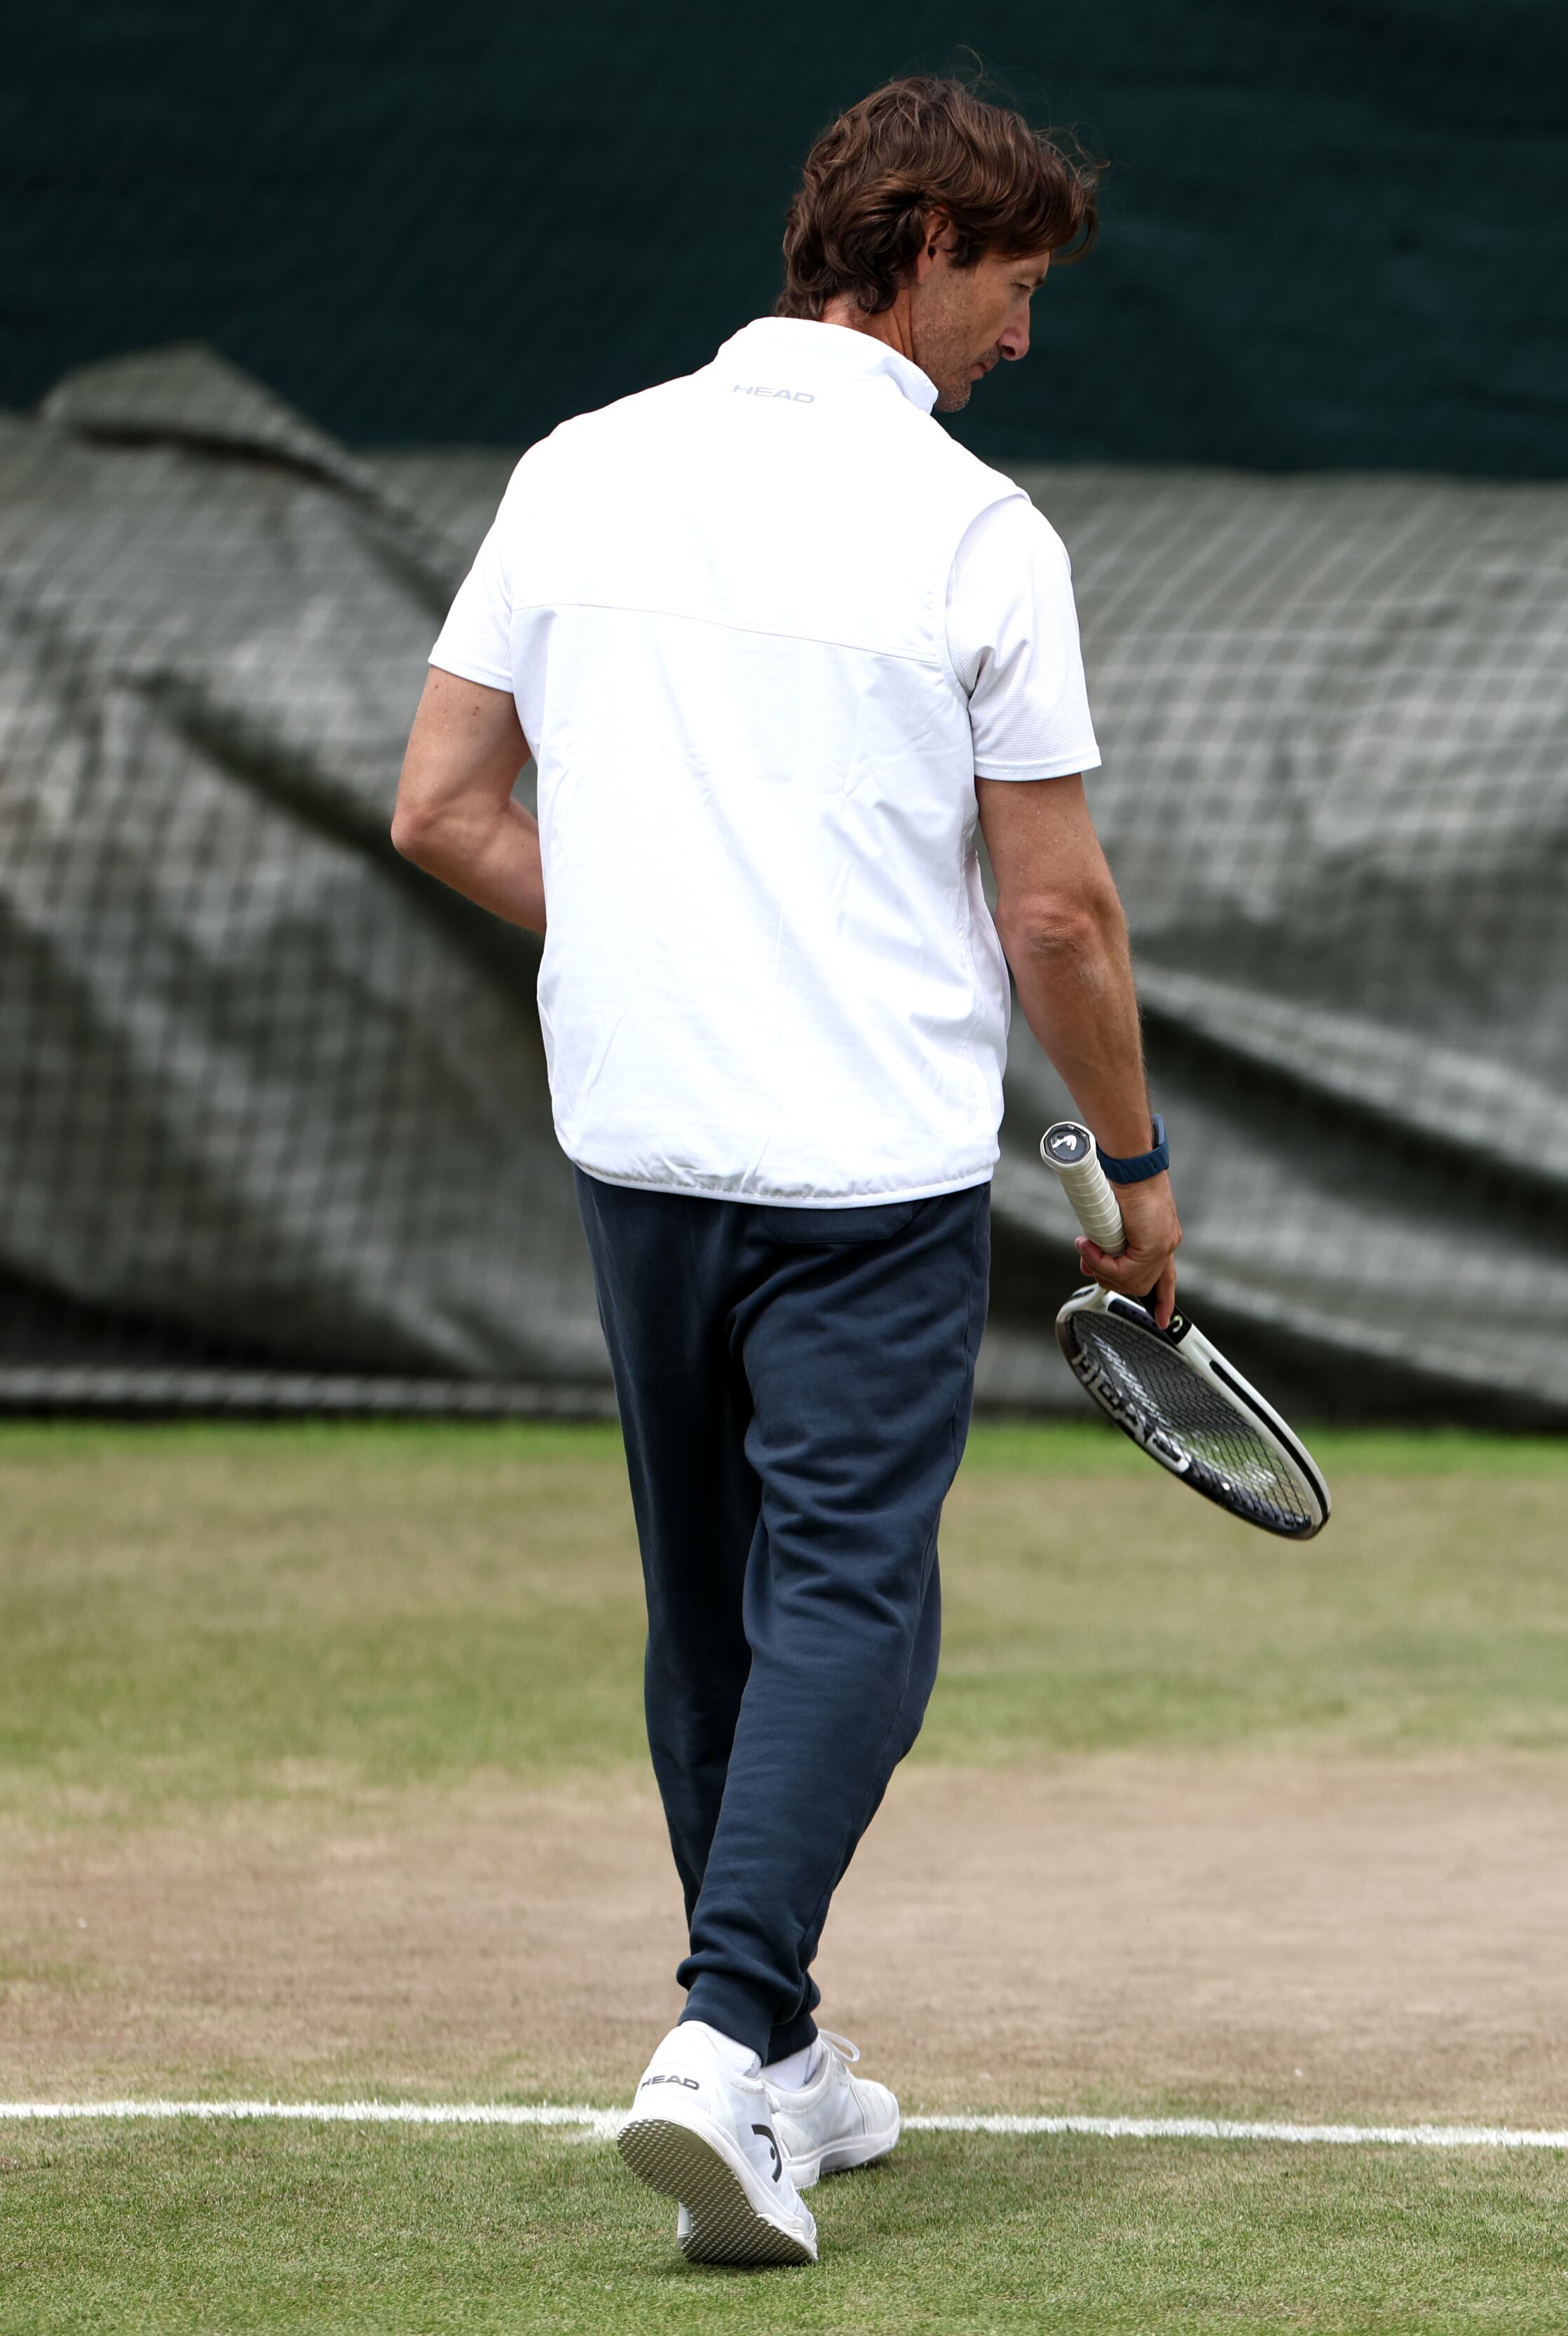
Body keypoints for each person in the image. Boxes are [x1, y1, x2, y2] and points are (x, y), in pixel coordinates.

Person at [390, 76, 1176, 2267]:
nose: (1025, 332)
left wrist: (665, 944)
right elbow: (1057, 919)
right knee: (851, 1600)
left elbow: (442, 808)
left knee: (714, 1603)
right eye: (1014, 283)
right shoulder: (981, 533)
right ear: (922, 249)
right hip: (861, 1165)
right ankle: (725, 2035)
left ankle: (786, 2057)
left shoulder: (576, 466)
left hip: (637, 1137)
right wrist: (1134, 1168)